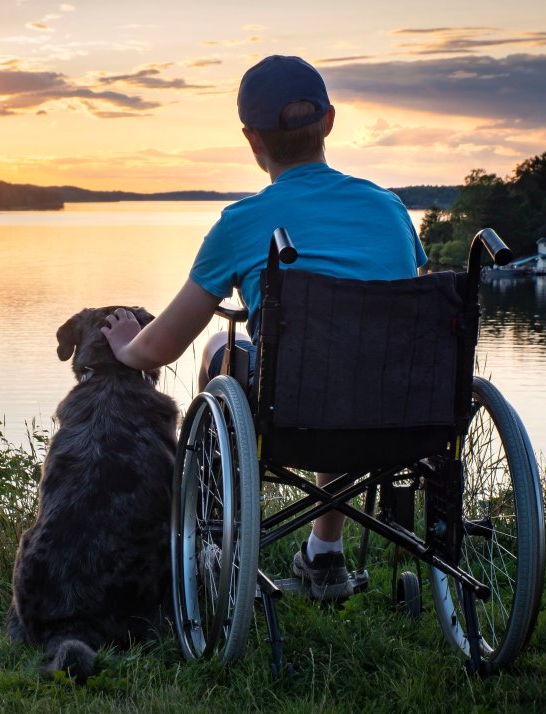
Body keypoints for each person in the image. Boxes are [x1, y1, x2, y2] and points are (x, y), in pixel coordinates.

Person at [101, 55, 427, 601]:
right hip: (396, 410)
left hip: (295, 415)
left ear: (253, 141)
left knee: (221, 349)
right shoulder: (390, 209)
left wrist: (123, 346)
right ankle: (325, 555)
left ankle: (214, 540)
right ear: (328, 121)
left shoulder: (243, 223)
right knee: (344, 357)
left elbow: (162, 346)